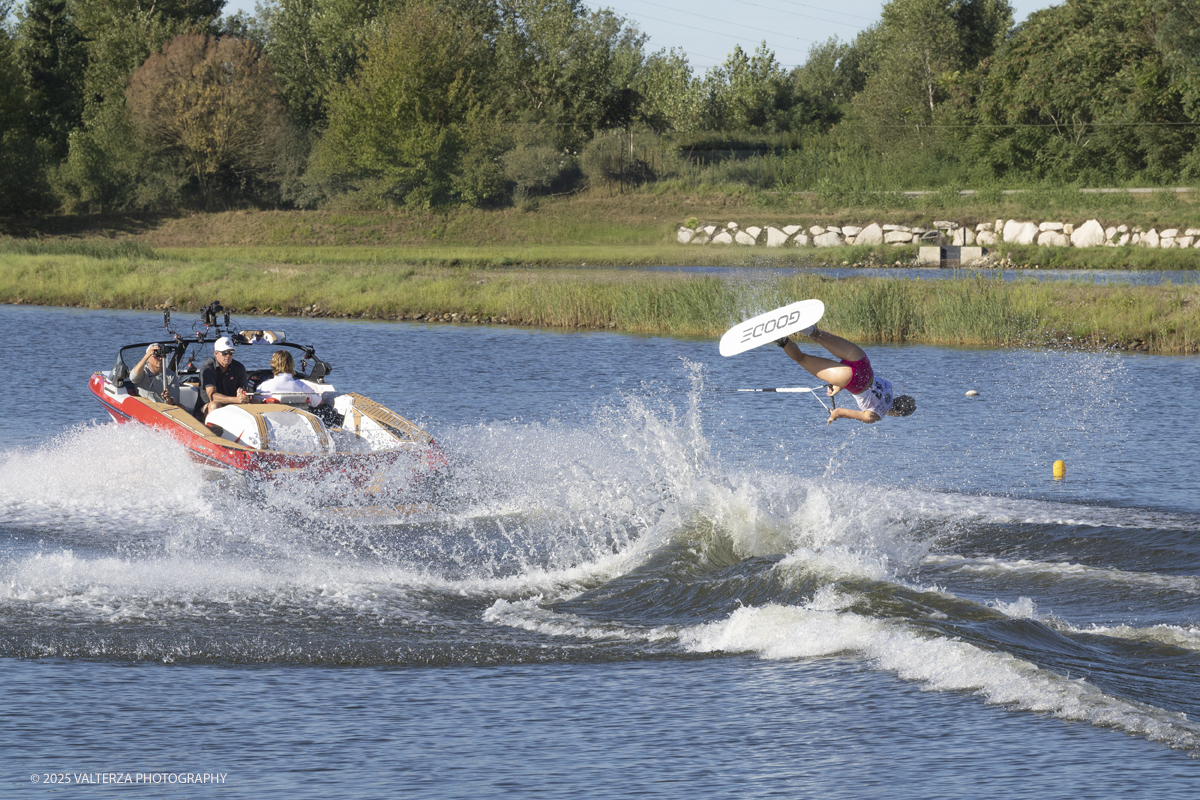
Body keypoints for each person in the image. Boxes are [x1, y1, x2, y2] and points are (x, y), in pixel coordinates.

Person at [776, 324, 916, 424]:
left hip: (861, 360)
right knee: (802, 358)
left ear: (900, 398)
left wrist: (839, 386)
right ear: (898, 414)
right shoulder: (875, 416)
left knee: (816, 333)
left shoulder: (889, 388)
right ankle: (780, 337)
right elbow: (840, 411)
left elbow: (866, 381)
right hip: (851, 379)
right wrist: (833, 416)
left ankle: (803, 327)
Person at [199, 336, 250, 417]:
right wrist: (236, 400)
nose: (228, 356)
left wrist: (245, 396)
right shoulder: (208, 368)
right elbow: (212, 396)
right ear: (216, 353)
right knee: (215, 405)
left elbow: (245, 389)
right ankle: (210, 429)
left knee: (256, 401)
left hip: (233, 404)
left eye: (231, 352)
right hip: (207, 406)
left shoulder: (239, 367)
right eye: (224, 353)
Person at [255, 350, 323, 406]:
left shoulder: (265, 386)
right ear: (292, 365)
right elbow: (320, 401)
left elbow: (254, 404)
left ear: (273, 365)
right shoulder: (302, 386)